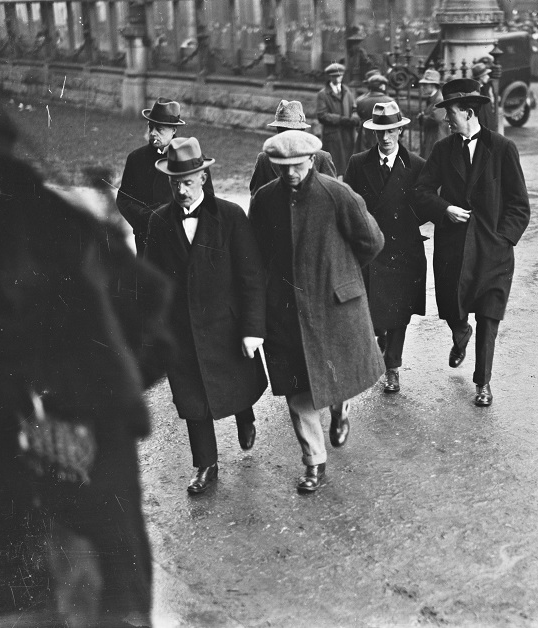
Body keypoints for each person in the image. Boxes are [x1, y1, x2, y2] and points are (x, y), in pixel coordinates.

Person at [0, 85, 170, 626]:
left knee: (85, 599)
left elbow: (151, 325)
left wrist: (84, 406)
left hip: (77, 484)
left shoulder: (61, 238)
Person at [248, 130, 384, 494]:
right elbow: (256, 253)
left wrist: (341, 272)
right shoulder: (264, 199)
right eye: (283, 167)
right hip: (287, 310)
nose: (290, 173)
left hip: (333, 304)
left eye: (297, 165)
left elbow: (371, 241)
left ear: (311, 160)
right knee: (298, 389)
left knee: (335, 375)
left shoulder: (335, 193)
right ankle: (314, 462)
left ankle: (340, 407)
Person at [143, 137, 268, 495]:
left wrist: (252, 329)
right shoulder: (158, 222)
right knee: (192, 398)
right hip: (181, 330)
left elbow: (250, 278)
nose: (181, 190)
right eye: (174, 183)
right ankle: (206, 464)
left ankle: (245, 413)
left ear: (203, 178)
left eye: (187, 182)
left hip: (225, 325)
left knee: (236, 384)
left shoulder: (229, 216)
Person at [414, 78, 531, 407]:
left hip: (493, 250)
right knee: (453, 305)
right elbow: (421, 193)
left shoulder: (502, 148)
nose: (446, 121)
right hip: (453, 246)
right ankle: (459, 331)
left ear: (468, 112)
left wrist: (502, 239)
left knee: (489, 316)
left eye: (450, 114)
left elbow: (519, 205)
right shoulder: (442, 150)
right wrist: (444, 209)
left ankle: (483, 382)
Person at [343, 101, 428, 394]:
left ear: (401, 130)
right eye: (380, 132)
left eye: (391, 130)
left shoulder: (416, 165)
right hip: (371, 248)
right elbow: (349, 203)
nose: (386, 137)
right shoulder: (358, 163)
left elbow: (426, 205)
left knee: (399, 310)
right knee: (374, 309)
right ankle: (381, 342)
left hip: (403, 248)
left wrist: (408, 222)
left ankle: (392, 367)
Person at [116, 97, 214, 253]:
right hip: (146, 238)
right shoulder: (136, 158)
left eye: (160, 129)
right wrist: (144, 217)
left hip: (179, 241)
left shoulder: (192, 158)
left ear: (173, 130)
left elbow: (207, 199)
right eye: (151, 127)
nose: (153, 133)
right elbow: (124, 199)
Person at [249, 100, 337, 194]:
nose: (287, 138)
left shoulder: (321, 158)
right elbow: (256, 196)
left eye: (292, 132)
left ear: (302, 131)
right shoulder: (265, 159)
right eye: (282, 130)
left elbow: (333, 194)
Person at [316, 62, 360, 174]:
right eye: (335, 76)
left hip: (347, 134)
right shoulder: (323, 94)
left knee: (348, 166)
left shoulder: (347, 90)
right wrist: (341, 119)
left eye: (340, 75)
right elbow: (322, 115)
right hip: (333, 135)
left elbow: (354, 107)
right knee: (332, 166)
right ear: (330, 77)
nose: (338, 78)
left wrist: (354, 117)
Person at [354, 73, 394, 152]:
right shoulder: (389, 101)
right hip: (384, 135)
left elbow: (355, 118)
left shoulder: (360, 100)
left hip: (364, 136)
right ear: (382, 86)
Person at [417, 68, 449, 158]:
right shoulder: (433, 98)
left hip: (437, 138)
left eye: (425, 84)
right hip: (433, 138)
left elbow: (436, 118)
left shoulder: (439, 99)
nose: (422, 87)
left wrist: (422, 118)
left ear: (433, 85)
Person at [472, 62, 498, 132]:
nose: (488, 77)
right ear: (481, 77)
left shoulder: (486, 88)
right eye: (486, 74)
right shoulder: (474, 92)